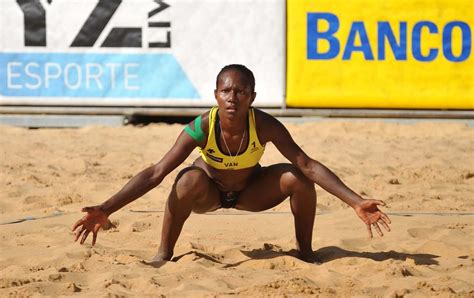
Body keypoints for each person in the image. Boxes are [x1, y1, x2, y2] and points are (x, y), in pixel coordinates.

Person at [73, 64, 391, 264]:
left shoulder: (265, 124)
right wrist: (107, 208)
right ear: (215, 95)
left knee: (297, 178)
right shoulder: (201, 127)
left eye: (240, 91)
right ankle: (164, 253)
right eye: (226, 90)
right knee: (185, 180)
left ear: (252, 96)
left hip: (252, 193)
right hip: (209, 193)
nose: (232, 97)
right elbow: (156, 172)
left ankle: (305, 252)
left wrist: (356, 202)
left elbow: (307, 164)